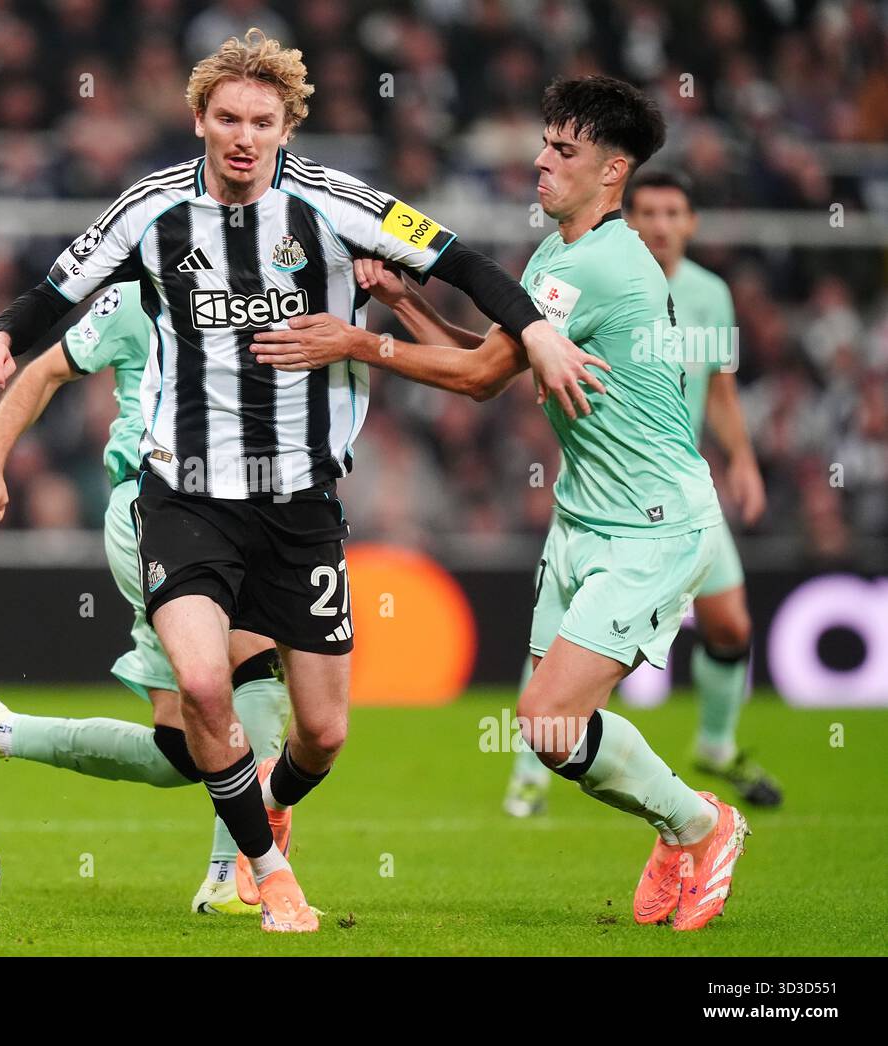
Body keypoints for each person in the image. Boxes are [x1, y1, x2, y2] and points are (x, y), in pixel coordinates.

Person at [0, 29, 596, 933]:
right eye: (227, 118)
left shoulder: (337, 206)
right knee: (206, 687)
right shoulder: (150, 211)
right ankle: (266, 873)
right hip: (183, 499)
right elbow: (60, 286)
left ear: (289, 126)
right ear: (199, 121)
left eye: (263, 120)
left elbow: (462, 261)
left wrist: (531, 329)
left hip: (299, 508)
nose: (244, 136)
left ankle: (271, 805)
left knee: (324, 733)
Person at [253, 76, 751, 932]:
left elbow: (482, 376)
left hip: (655, 526)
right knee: (553, 730)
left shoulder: (600, 263)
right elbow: (492, 368)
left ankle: (704, 826)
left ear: (613, 170)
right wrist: (409, 305)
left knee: (547, 719)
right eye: (544, 142)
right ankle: (681, 829)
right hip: (585, 518)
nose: (541, 161)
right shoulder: (557, 256)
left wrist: (359, 341)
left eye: (565, 150)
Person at [0, 281, 291, 917]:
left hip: (238, 514)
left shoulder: (266, 287)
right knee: (253, 665)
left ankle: (1, 731)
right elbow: (41, 373)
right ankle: (234, 877)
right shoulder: (135, 298)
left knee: (183, 749)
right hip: (156, 510)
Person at [504, 170, 781, 818]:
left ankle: (714, 748)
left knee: (732, 625)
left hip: (675, 499)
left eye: (673, 212)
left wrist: (743, 458)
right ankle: (530, 771)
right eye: (649, 211)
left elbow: (718, 388)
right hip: (611, 500)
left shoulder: (710, 296)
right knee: (559, 668)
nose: (659, 224)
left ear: (691, 223)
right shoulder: (591, 271)